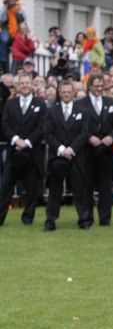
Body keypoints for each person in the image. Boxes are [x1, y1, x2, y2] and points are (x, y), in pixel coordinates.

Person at [43, 81, 91, 231]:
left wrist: (71, 149)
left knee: (79, 189)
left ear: (73, 93)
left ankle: (83, 219)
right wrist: (61, 149)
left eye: (69, 92)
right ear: (59, 93)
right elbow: (47, 133)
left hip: (76, 157)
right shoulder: (51, 111)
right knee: (54, 190)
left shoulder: (82, 111)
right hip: (57, 157)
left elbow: (84, 133)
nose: (66, 94)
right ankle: (50, 220)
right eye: (63, 92)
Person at [0, 73, 47, 226]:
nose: (25, 85)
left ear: (32, 85)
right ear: (18, 86)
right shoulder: (10, 104)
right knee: (6, 185)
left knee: (31, 188)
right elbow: (5, 124)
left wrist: (27, 142)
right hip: (14, 151)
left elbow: (42, 127)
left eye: (27, 83)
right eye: (22, 83)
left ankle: (28, 218)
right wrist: (15, 140)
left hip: (32, 152)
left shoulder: (40, 104)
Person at [76, 73, 113, 226]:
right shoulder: (81, 104)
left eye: (101, 86)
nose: (99, 88)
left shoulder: (110, 102)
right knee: (87, 185)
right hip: (88, 151)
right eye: (96, 85)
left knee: (105, 186)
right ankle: (87, 217)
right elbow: (79, 126)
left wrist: (111, 137)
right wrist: (89, 137)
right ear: (89, 87)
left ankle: (105, 218)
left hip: (106, 151)